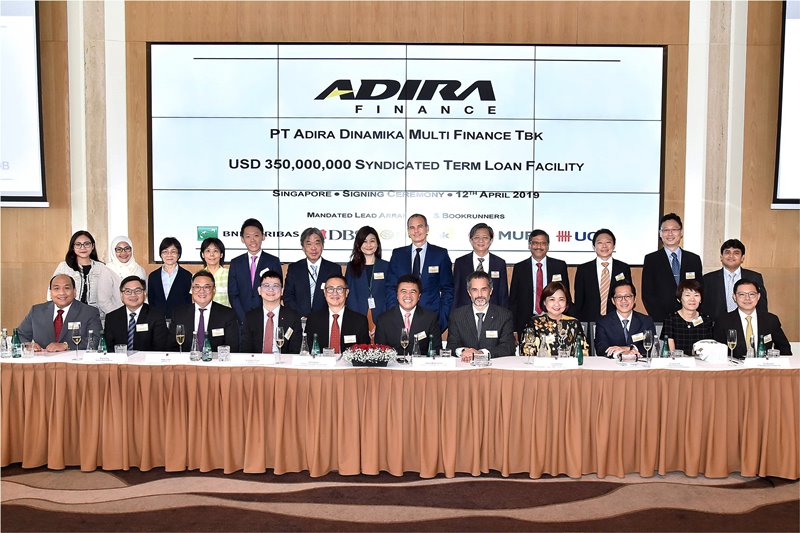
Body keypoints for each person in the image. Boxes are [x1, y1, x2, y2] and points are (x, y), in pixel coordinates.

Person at [386, 214, 454, 332]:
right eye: (412, 227)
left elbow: (448, 289)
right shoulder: (398, 254)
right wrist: (394, 315)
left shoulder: (440, 254)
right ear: (408, 231)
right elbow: (391, 287)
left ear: (427, 228)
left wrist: (442, 321)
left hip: (431, 318)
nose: (416, 231)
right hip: (402, 317)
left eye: (420, 226)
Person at [642, 213, 703, 322]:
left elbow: (700, 290)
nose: (670, 233)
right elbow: (648, 294)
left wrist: (691, 315)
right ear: (660, 234)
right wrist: (662, 319)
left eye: (674, 229)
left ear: (681, 232)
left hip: (690, 318)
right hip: (662, 319)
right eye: (665, 230)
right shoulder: (651, 259)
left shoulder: (694, 259)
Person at [509, 230, 570, 339]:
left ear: (548, 246)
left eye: (543, 243)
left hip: (554, 318)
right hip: (525, 321)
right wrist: (513, 328)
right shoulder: (520, 268)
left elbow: (566, 295)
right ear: (529, 245)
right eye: (535, 243)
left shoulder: (559, 266)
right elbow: (514, 300)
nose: (539, 246)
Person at [18, 274, 102, 352]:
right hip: (43, 360)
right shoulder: (37, 311)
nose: (62, 293)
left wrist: (66, 345)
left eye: (67, 288)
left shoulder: (89, 312)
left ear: (74, 291)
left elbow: (95, 339)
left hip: (74, 360)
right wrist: (27, 344)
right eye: (56, 288)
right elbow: (19, 335)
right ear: (50, 292)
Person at [51, 230, 121, 320]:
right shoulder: (64, 267)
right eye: (78, 244)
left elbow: (112, 294)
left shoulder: (102, 268)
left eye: (86, 244)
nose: (83, 247)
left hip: (97, 317)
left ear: (93, 246)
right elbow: (52, 291)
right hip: (71, 317)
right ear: (73, 247)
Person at [712, 279, 791, 358]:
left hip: (763, 365)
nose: (747, 298)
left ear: (758, 296)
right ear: (734, 297)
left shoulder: (771, 320)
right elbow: (717, 352)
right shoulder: (723, 321)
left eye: (752, 294)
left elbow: (785, 349)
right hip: (734, 365)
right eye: (742, 294)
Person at [447, 271, 515, 361]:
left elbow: (508, 347)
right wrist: (463, 351)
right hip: (465, 366)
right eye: (474, 290)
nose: (479, 295)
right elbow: (451, 346)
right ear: (469, 292)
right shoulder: (457, 315)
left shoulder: (504, 315)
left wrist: (482, 354)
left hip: (493, 366)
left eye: (484, 289)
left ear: (491, 291)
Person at [227, 218, 281, 324]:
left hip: (266, 319)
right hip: (241, 321)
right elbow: (233, 295)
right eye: (248, 236)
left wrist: (265, 316)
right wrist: (244, 319)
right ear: (242, 239)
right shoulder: (235, 263)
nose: (252, 240)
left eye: (256, 235)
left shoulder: (273, 261)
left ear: (263, 236)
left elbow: (276, 290)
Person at [572, 228, 632, 322]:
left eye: (608, 242)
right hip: (590, 319)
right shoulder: (583, 269)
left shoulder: (623, 268)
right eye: (600, 243)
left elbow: (628, 294)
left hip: (616, 319)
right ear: (594, 246)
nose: (604, 246)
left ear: (614, 245)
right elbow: (579, 299)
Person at [170, 270, 240, 352]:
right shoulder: (179, 314)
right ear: (192, 290)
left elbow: (232, 348)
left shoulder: (227, 314)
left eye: (206, 287)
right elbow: (171, 346)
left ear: (214, 290)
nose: (201, 291)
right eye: (197, 287)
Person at [374, 274, 442, 355]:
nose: (408, 296)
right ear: (397, 295)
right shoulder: (383, 320)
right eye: (404, 291)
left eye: (412, 292)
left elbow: (436, 351)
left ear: (419, 296)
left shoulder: (430, 318)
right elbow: (379, 353)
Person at [702, 239, 768, 321]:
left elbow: (761, 305)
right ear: (721, 257)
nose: (731, 256)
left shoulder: (754, 277)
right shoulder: (708, 279)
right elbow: (704, 306)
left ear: (742, 258)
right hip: (716, 324)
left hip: (746, 323)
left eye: (736, 253)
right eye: (727, 252)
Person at [241, 270, 303, 354]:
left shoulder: (293, 317)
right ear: (259, 290)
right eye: (266, 285)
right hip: (257, 361)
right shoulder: (250, 317)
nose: (271, 289)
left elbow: (295, 351)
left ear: (282, 291)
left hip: (283, 361)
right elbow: (245, 350)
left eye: (276, 286)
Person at [284, 227, 341, 317]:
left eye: (317, 243)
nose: (313, 248)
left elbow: (338, 297)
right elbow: (288, 296)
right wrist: (299, 316)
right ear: (303, 247)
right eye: (309, 244)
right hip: (298, 319)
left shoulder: (334, 269)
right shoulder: (294, 268)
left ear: (322, 246)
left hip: (325, 319)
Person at [305, 274, 370, 353]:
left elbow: (364, 353)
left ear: (346, 292)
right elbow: (308, 350)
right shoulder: (313, 320)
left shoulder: (360, 321)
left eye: (339, 289)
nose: (335, 293)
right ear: (324, 292)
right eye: (330, 289)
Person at [344, 226, 390, 336]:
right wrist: (356, 321)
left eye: (372, 241)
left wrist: (384, 321)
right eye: (364, 241)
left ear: (377, 244)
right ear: (358, 245)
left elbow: (390, 294)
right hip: (357, 317)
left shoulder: (386, 266)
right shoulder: (351, 267)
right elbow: (348, 295)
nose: (368, 245)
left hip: (382, 317)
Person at [452, 223, 509, 309]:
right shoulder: (460, 263)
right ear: (471, 240)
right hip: (466, 312)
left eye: (485, 237)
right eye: (476, 237)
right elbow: (456, 292)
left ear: (491, 240)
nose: (481, 241)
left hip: (493, 312)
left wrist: (503, 314)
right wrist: (454, 313)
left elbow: (503, 294)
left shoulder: (499, 263)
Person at [104, 276, 169, 351]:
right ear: (121, 295)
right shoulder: (112, 318)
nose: (133, 295)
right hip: (120, 358)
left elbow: (160, 348)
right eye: (128, 291)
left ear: (144, 293)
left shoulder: (156, 316)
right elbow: (109, 348)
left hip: (147, 358)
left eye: (137, 291)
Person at [594, 280, 656, 358]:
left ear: (634, 299)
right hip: (612, 363)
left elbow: (651, 346)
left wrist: (629, 348)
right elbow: (601, 348)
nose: (623, 300)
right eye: (619, 297)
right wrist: (621, 353)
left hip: (639, 363)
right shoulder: (603, 322)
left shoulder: (646, 321)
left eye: (628, 296)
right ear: (613, 301)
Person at [525, 281, 584, 356]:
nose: (557, 304)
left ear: (566, 302)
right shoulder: (534, 322)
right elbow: (526, 352)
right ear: (544, 302)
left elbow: (583, 352)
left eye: (561, 299)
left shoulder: (574, 323)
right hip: (541, 363)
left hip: (568, 363)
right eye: (552, 299)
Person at [662, 280, 714, 354]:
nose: (692, 299)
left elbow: (709, 347)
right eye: (687, 295)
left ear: (700, 299)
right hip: (677, 359)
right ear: (679, 299)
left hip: (700, 360)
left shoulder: (706, 320)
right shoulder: (671, 319)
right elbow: (671, 350)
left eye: (696, 295)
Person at [147, 237, 192, 319]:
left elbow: (189, 301)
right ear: (161, 254)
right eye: (165, 252)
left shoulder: (187, 276)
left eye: (173, 252)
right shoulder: (153, 276)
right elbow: (151, 301)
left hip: (180, 319)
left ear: (178, 255)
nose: (169, 255)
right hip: (158, 320)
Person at [200, 237, 230, 307]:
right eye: (208, 251)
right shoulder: (197, 276)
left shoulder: (230, 275)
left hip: (225, 313)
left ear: (221, 254)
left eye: (215, 251)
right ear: (202, 254)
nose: (212, 254)